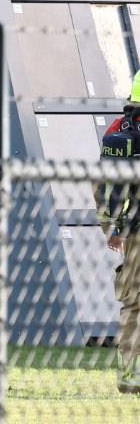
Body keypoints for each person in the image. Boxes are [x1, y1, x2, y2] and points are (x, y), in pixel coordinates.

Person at [97, 71, 140, 395]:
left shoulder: (118, 131)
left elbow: (103, 184)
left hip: (133, 230)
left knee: (133, 303)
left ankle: (131, 376)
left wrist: (112, 227)